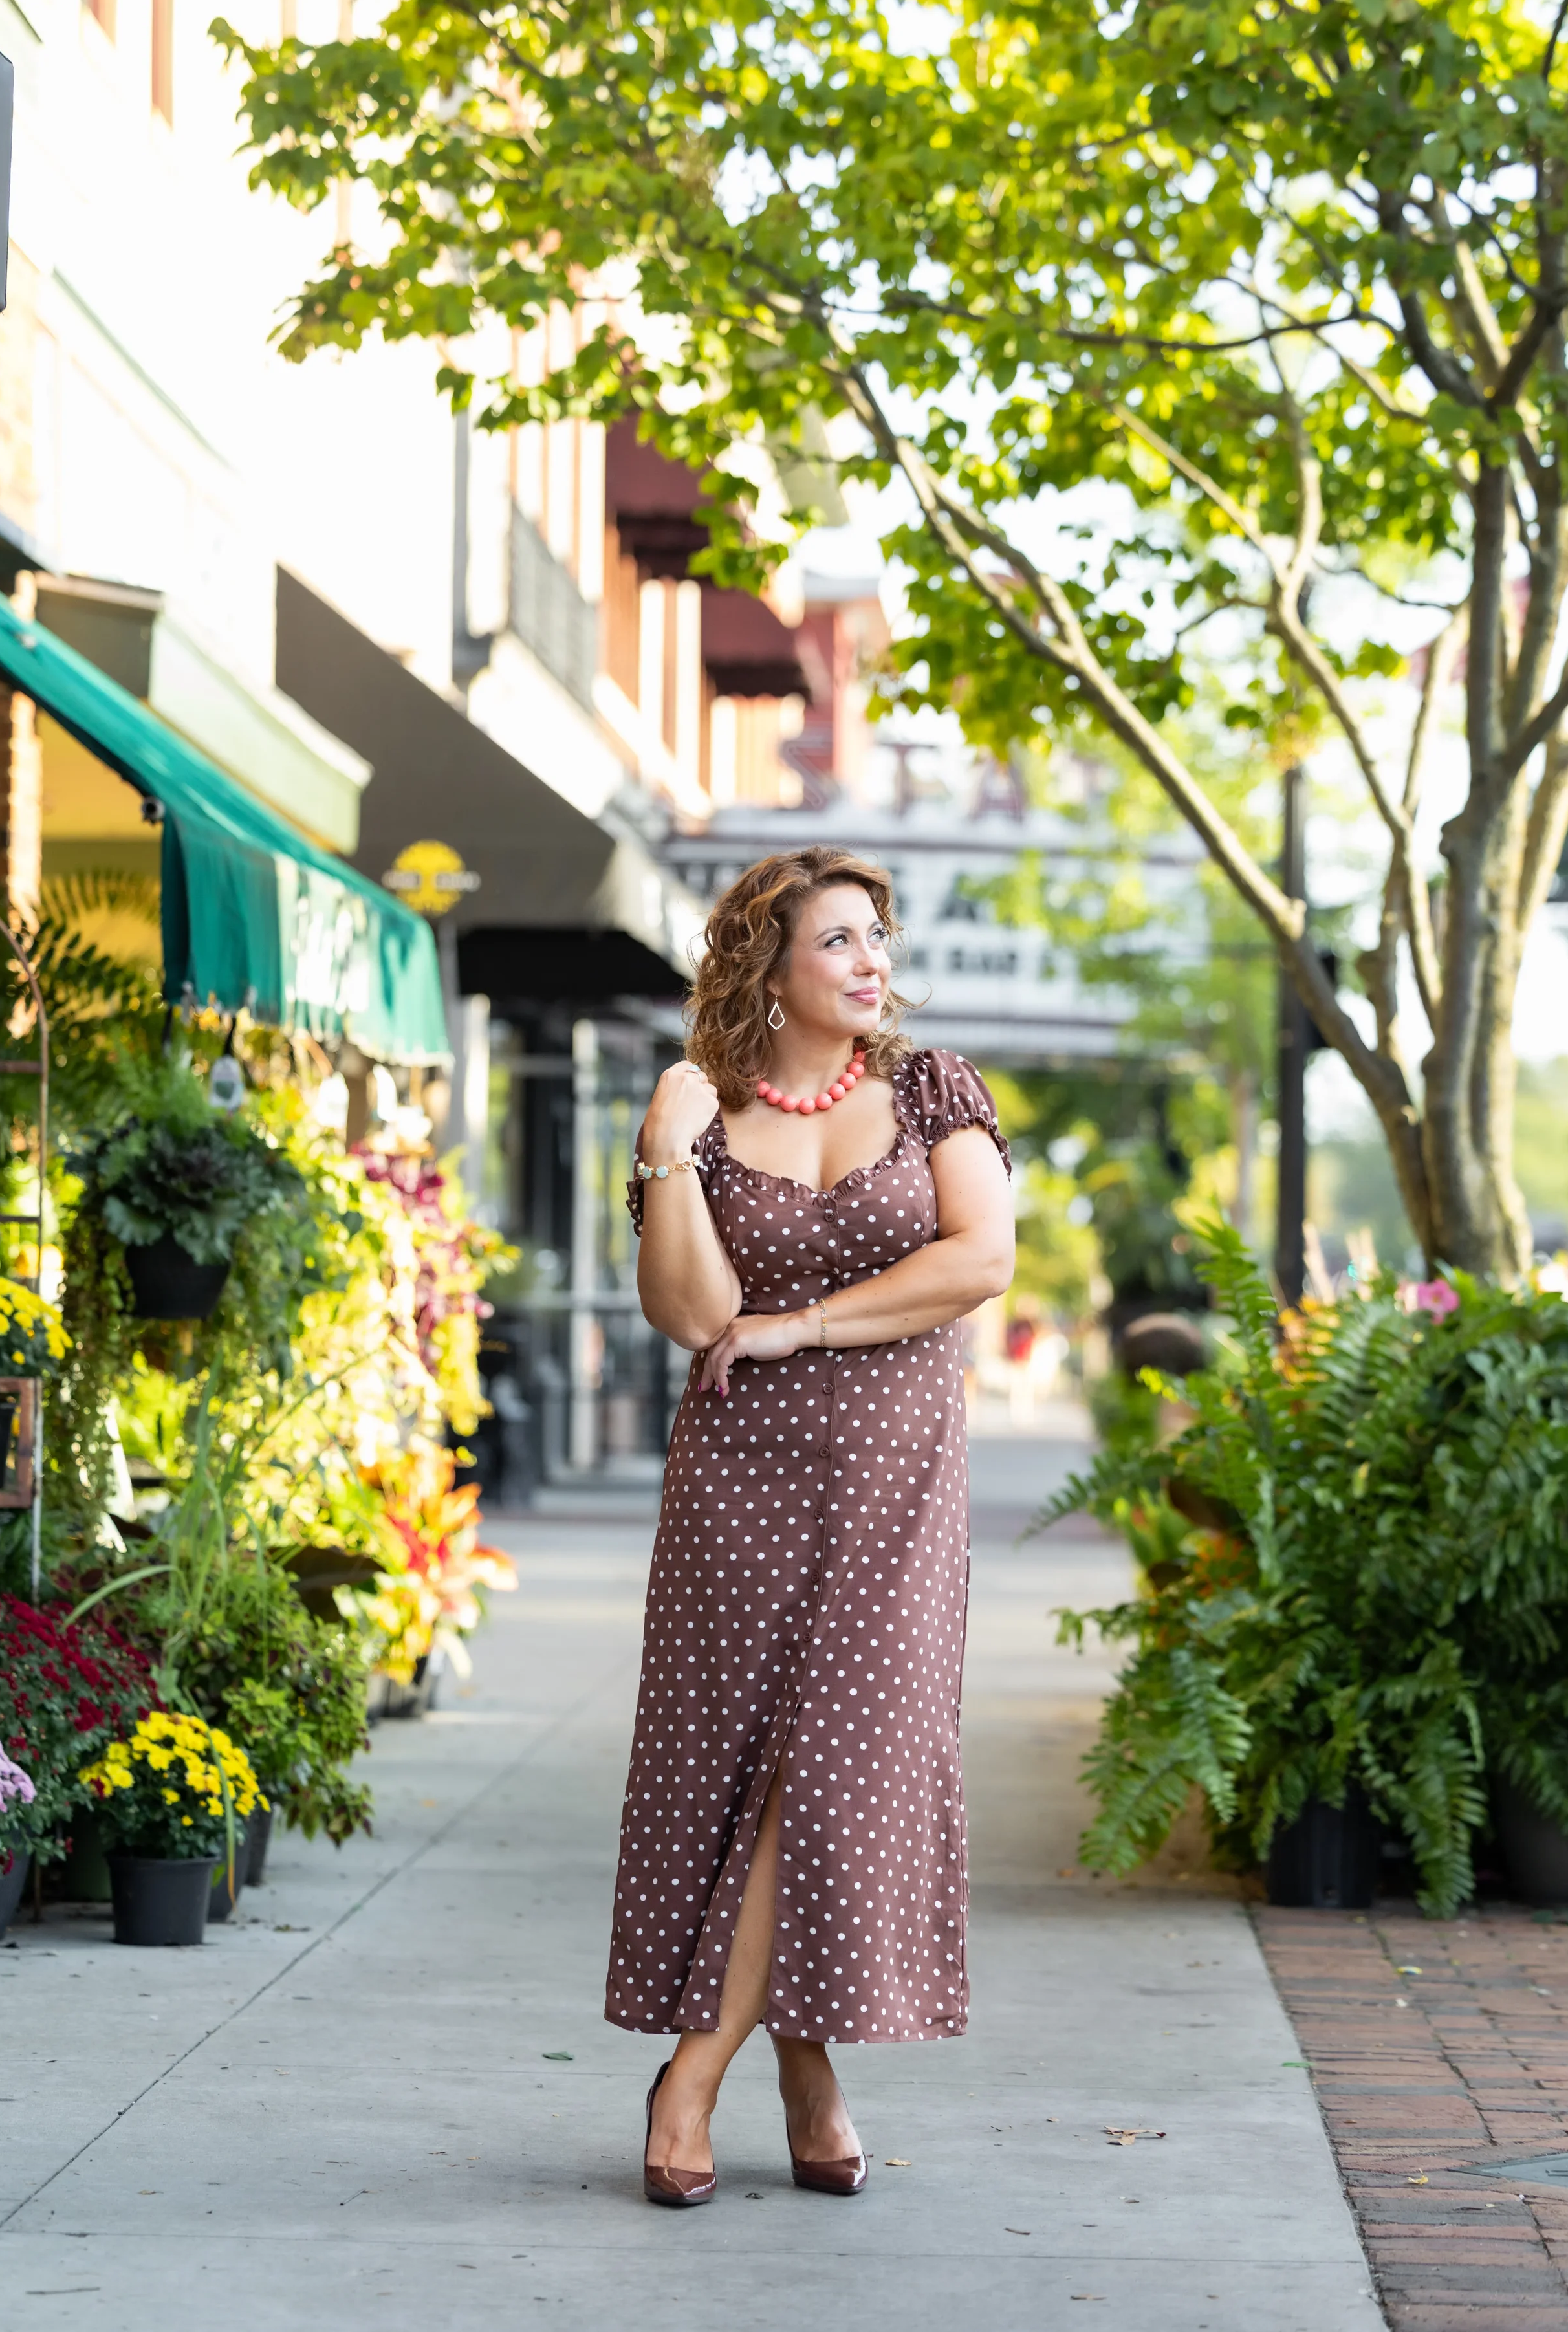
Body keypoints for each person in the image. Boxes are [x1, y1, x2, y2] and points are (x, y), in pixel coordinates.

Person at [606, 845, 1015, 2206]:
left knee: (841, 1763)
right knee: (749, 1766)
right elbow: (689, 1311)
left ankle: (693, 2070)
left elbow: (976, 1260)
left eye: (876, 936)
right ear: (767, 964)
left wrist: (808, 1323)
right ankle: (808, 2068)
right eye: (838, 938)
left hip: (897, 1486)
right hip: (740, 1482)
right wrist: (665, 1149)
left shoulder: (931, 1087)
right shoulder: (703, 1112)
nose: (869, 960)